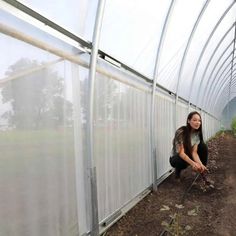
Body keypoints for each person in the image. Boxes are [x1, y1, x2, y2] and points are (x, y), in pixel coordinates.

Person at [169, 111, 213, 186]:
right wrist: (193, 164)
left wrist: (200, 164)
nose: (197, 122)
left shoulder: (196, 134)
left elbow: (194, 152)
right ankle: (177, 173)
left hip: (187, 155)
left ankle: (202, 172)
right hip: (175, 158)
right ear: (188, 121)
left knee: (203, 146)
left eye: (199, 120)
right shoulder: (181, 132)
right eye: (195, 120)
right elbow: (181, 153)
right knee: (180, 160)